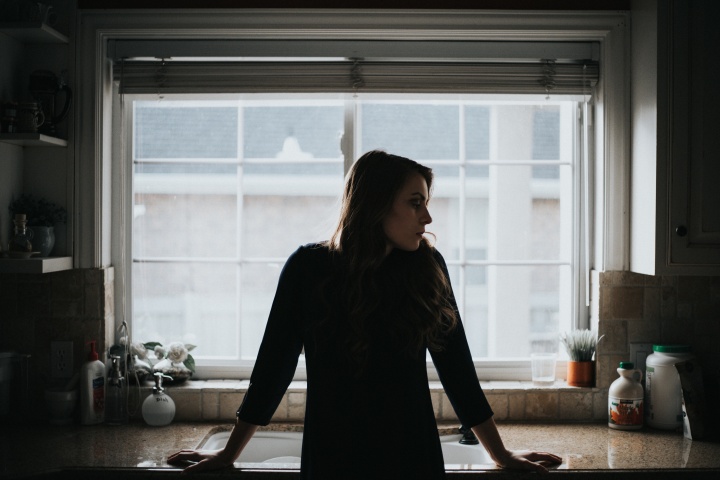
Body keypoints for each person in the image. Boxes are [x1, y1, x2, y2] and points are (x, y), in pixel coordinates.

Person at [168, 150, 562, 478]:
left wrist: (501, 454)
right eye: (415, 202)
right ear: (375, 204)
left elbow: (457, 368)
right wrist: (228, 454)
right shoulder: (308, 268)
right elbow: (274, 367)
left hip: (413, 458)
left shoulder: (427, 268)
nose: (427, 218)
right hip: (333, 460)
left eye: (425, 203)